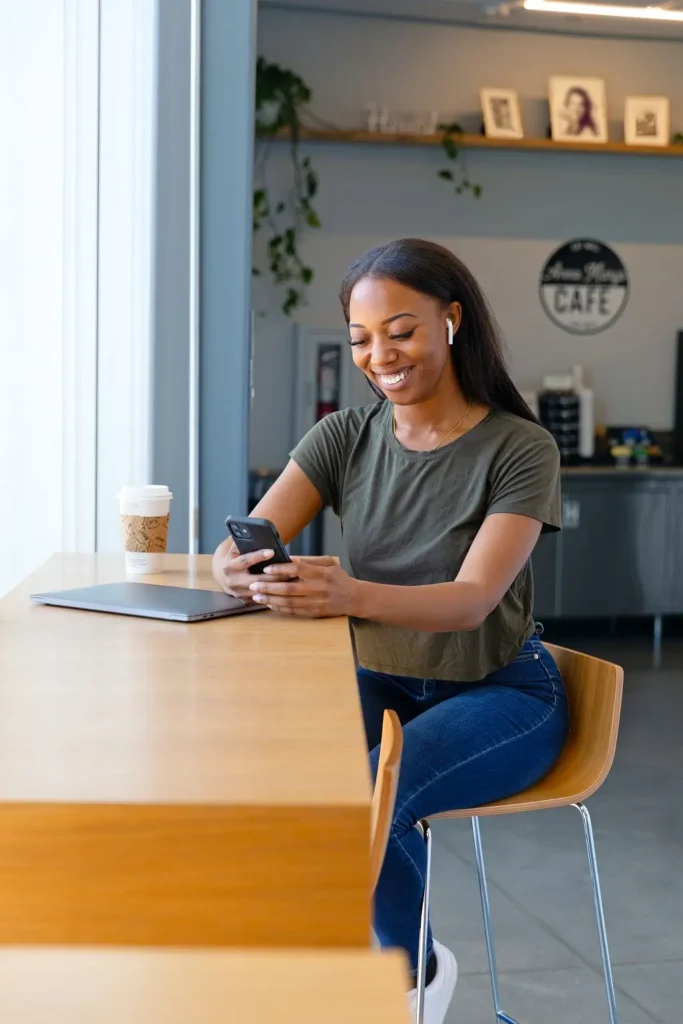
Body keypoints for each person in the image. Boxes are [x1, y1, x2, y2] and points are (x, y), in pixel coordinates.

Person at [213, 238, 570, 1024]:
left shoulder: (520, 447)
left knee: (375, 793)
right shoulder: (346, 435)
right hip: (383, 678)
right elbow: (249, 534)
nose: (380, 355)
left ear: (450, 319)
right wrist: (233, 568)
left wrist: (349, 594)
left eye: (400, 330)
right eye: (361, 340)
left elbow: (472, 600)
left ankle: (413, 976)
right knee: (274, 767)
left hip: (501, 690)